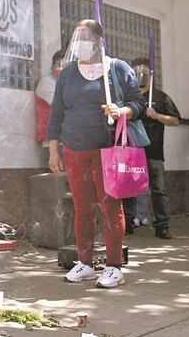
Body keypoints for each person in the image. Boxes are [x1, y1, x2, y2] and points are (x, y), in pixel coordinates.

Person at [48, 20, 146, 288]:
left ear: (98, 41)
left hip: (107, 150)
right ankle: (85, 263)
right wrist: (54, 150)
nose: (78, 43)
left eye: (84, 38)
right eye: (75, 38)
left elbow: (139, 104)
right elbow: (56, 113)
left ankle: (114, 266)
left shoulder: (117, 69)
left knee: (110, 207)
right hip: (74, 150)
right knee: (82, 208)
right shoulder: (67, 75)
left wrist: (121, 110)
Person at [122, 58, 180, 239]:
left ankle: (162, 226)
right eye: (136, 70)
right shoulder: (127, 97)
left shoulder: (160, 97)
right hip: (132, 150)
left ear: (151, 73)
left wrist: (156, 115)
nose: (140, 74)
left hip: (154, 151)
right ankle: (128, 223)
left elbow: (175, 120)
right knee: (129, 189)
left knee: (159, 190)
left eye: (144, 70)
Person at [34, 50, 63, 147]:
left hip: (64, 138)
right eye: (58, 65)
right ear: (52, 67)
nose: (61, 69)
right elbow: (63, 107)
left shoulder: (63, 84)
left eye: (65, 66)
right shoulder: (47, 82)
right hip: (51, 139)